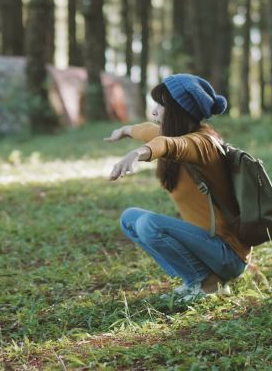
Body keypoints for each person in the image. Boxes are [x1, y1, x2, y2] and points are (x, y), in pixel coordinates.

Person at [104, 74, 248, 301]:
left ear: (178, 110)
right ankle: (195, 280)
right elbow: (147, 130)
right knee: (129, 218)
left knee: (148, 224)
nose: (154, 112)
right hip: (209, 247)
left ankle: (209, 284)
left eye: (161, 106)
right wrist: (124, 130)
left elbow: (170, 145)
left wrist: (136, 154)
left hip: (228, 254)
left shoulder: (203, 143)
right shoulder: (179, 134)